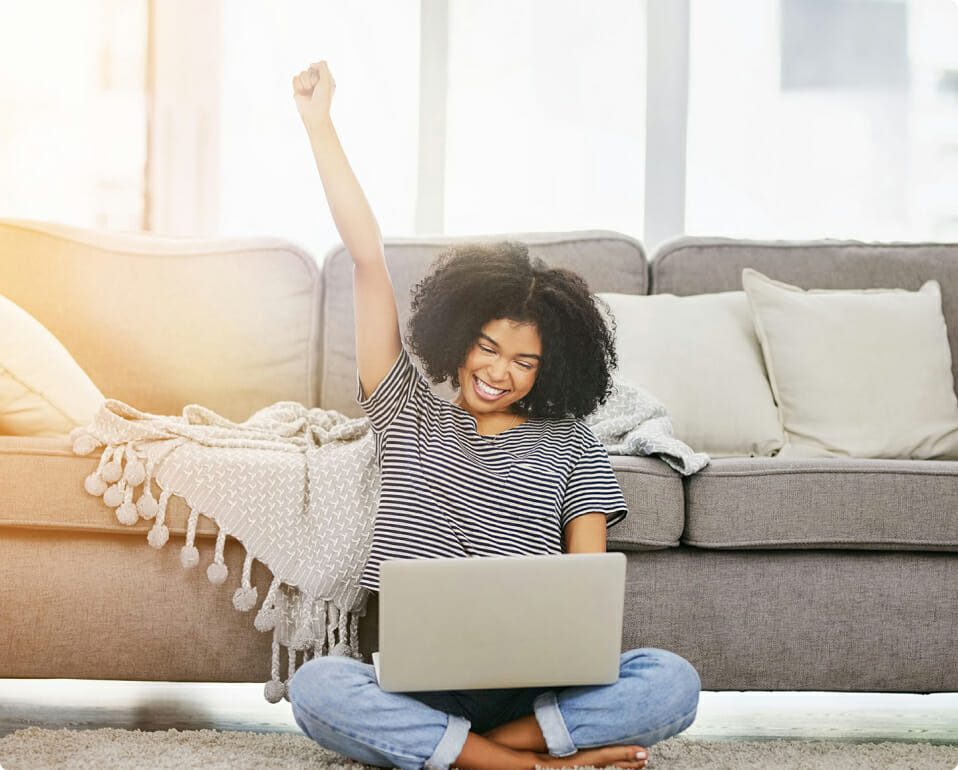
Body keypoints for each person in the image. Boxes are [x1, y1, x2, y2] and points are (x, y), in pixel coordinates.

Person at [287, 60, 700, 770]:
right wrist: (320, 125)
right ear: (461, 335)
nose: (497, 371)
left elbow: (584, 597)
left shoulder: (573, 443)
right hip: (422, 690)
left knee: (674, 682)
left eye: (524, 362)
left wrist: (557, 661)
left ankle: (474, 756)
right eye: (487, 346)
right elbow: (366, 261)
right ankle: (532, 767)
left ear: (553, 370)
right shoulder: (405, 410)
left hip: (534, 694)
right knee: (319, 685)